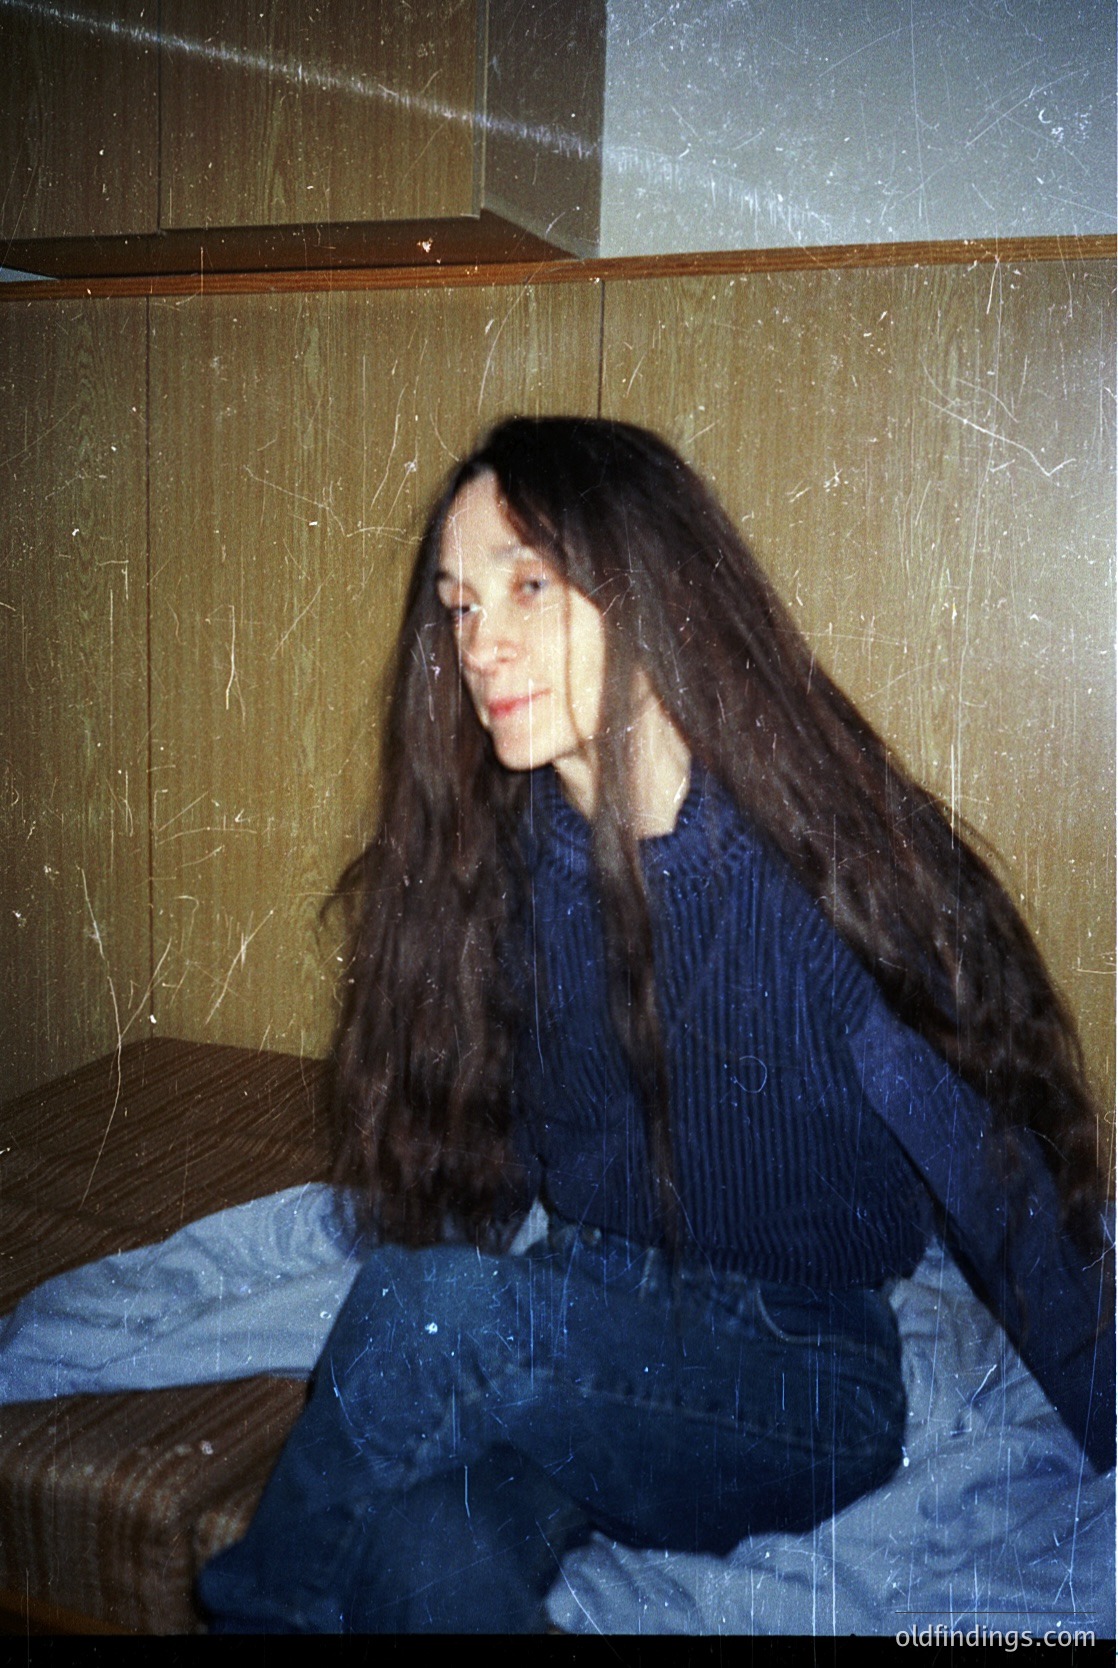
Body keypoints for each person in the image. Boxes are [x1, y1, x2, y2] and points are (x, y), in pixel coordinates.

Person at [198, 415, 1113, 1634]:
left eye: (529, 584)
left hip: (798, 1376)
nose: (480, 642)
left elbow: (1009, 1212)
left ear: (655, 592)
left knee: (433, 1306)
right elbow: (497, 1158)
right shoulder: (501, 870)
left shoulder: (820, 894)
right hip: (597, 1345)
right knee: (419, 1564)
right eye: (460, 605)